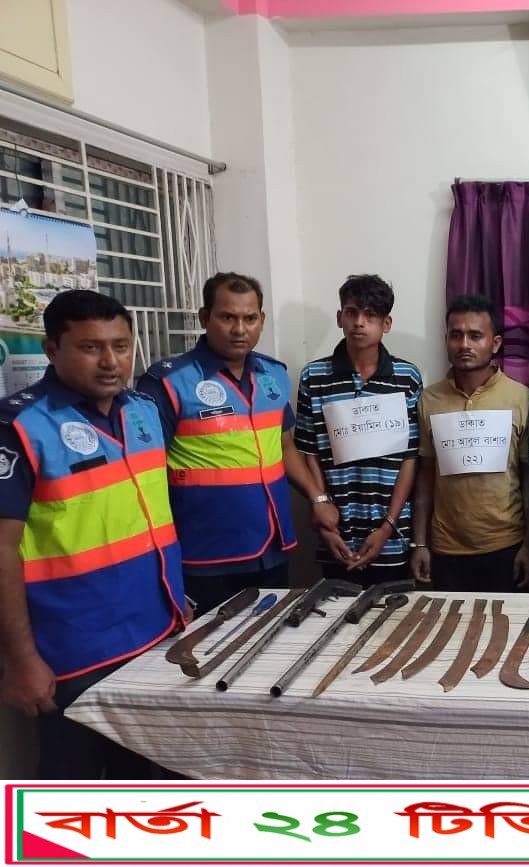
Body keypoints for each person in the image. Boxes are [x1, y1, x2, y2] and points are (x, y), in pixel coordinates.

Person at [0, 290, 185, 778]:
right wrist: (20, 660)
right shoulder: (19, 427)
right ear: (51, 349)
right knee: (72, 791)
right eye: (90, 347)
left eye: (120, 346)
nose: (110, 362)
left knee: (152, 779)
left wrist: (172, 595)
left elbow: (146, 515)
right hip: (72, 649)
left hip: (155, 632)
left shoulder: (143, 411)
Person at [138, 273, 326, 612]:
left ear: (261, 320)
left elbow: (284, 446)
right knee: (208, 641)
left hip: (270, 546)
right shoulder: (168, 382)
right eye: (227, 317)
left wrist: (318, 497)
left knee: (270, 635)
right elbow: (145, 477)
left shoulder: (273, 375)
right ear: (205, 317)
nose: (240, 329)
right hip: (204, 553)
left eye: (250, 318)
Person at [294, 275, 422, 586]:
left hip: (391, 536)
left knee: (392, 613)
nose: (359, 323)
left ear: (386, 324)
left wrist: (388, 526)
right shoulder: (314, 377)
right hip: (336, 533)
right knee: (334, 611)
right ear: (340, 317)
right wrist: (323, 513)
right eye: (352, 313)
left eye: (371, 315)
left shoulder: (406, 377)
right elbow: (308, 452)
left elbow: (410, 458)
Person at [412, 296, 529, 592]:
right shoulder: (429, 399)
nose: (464, 344)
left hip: (506, 545)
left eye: (475, 336)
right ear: (446, 341)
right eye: (456, 335)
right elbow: (425, 477)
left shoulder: (519, 397)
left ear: (495, 343)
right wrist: (420, 543)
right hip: (445, 549)